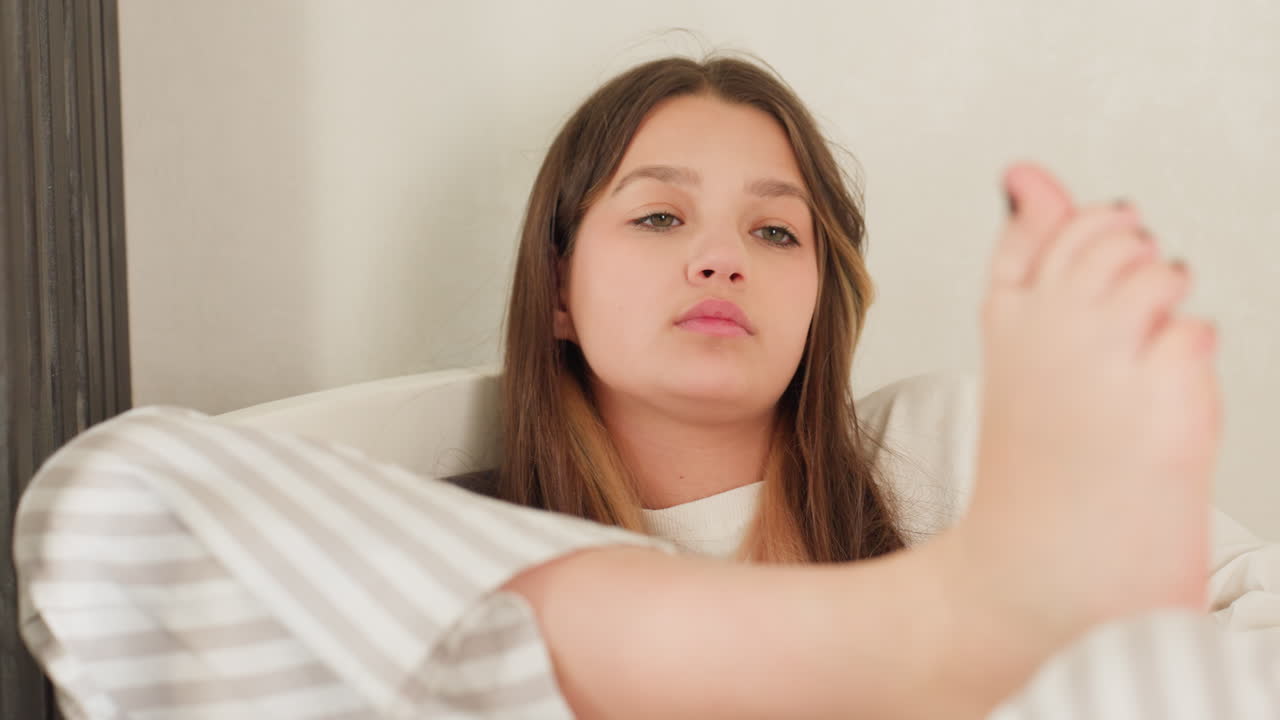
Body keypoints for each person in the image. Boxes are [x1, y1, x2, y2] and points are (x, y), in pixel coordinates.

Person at [15, 53, 1271, 720]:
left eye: (774, 232)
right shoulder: (459, 541)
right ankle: (920, 636)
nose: (720, 256)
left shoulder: (941, 444)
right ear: (558, 291)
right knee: (117, 491)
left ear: (820, 300)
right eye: (659, 215)